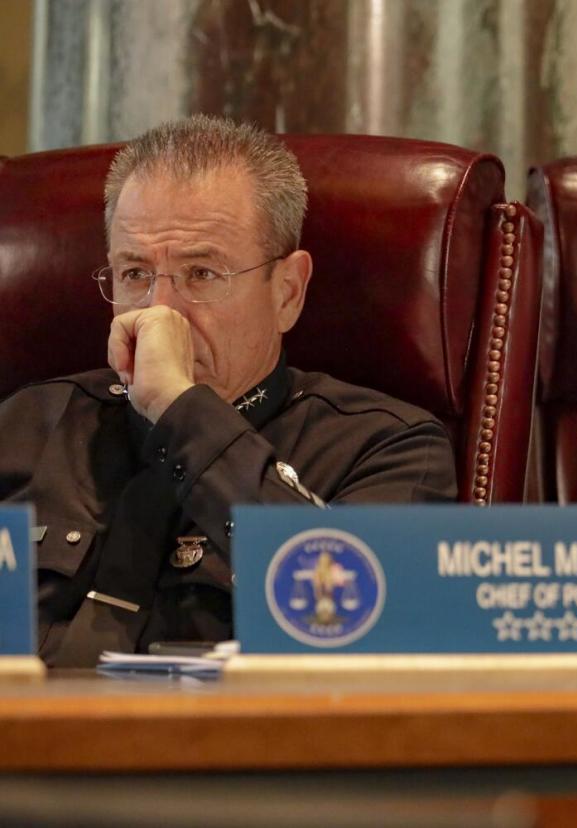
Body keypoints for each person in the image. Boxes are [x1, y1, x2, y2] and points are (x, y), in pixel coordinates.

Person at [0, 115, 456, 666]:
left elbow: (362, 629)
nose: (159, 312)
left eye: (202, 274)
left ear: (288, 292)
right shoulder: (29, 424)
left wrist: (179, 410)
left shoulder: (387, 449)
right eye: (135, 274)